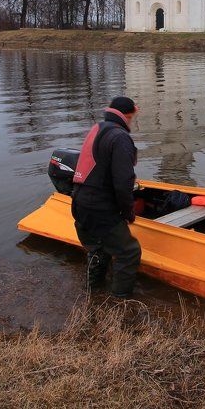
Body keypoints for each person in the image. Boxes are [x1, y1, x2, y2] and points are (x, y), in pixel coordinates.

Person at [70, 96, 142, 298]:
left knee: (98, 249)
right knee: (129, 252)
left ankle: (93, 293)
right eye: (133, 117)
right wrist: (128, 213)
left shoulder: (98, 128)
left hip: (79, 202)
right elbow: (123, 182)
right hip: (100, 208)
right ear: (128, 115)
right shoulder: (120, 137)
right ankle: (120, 301)